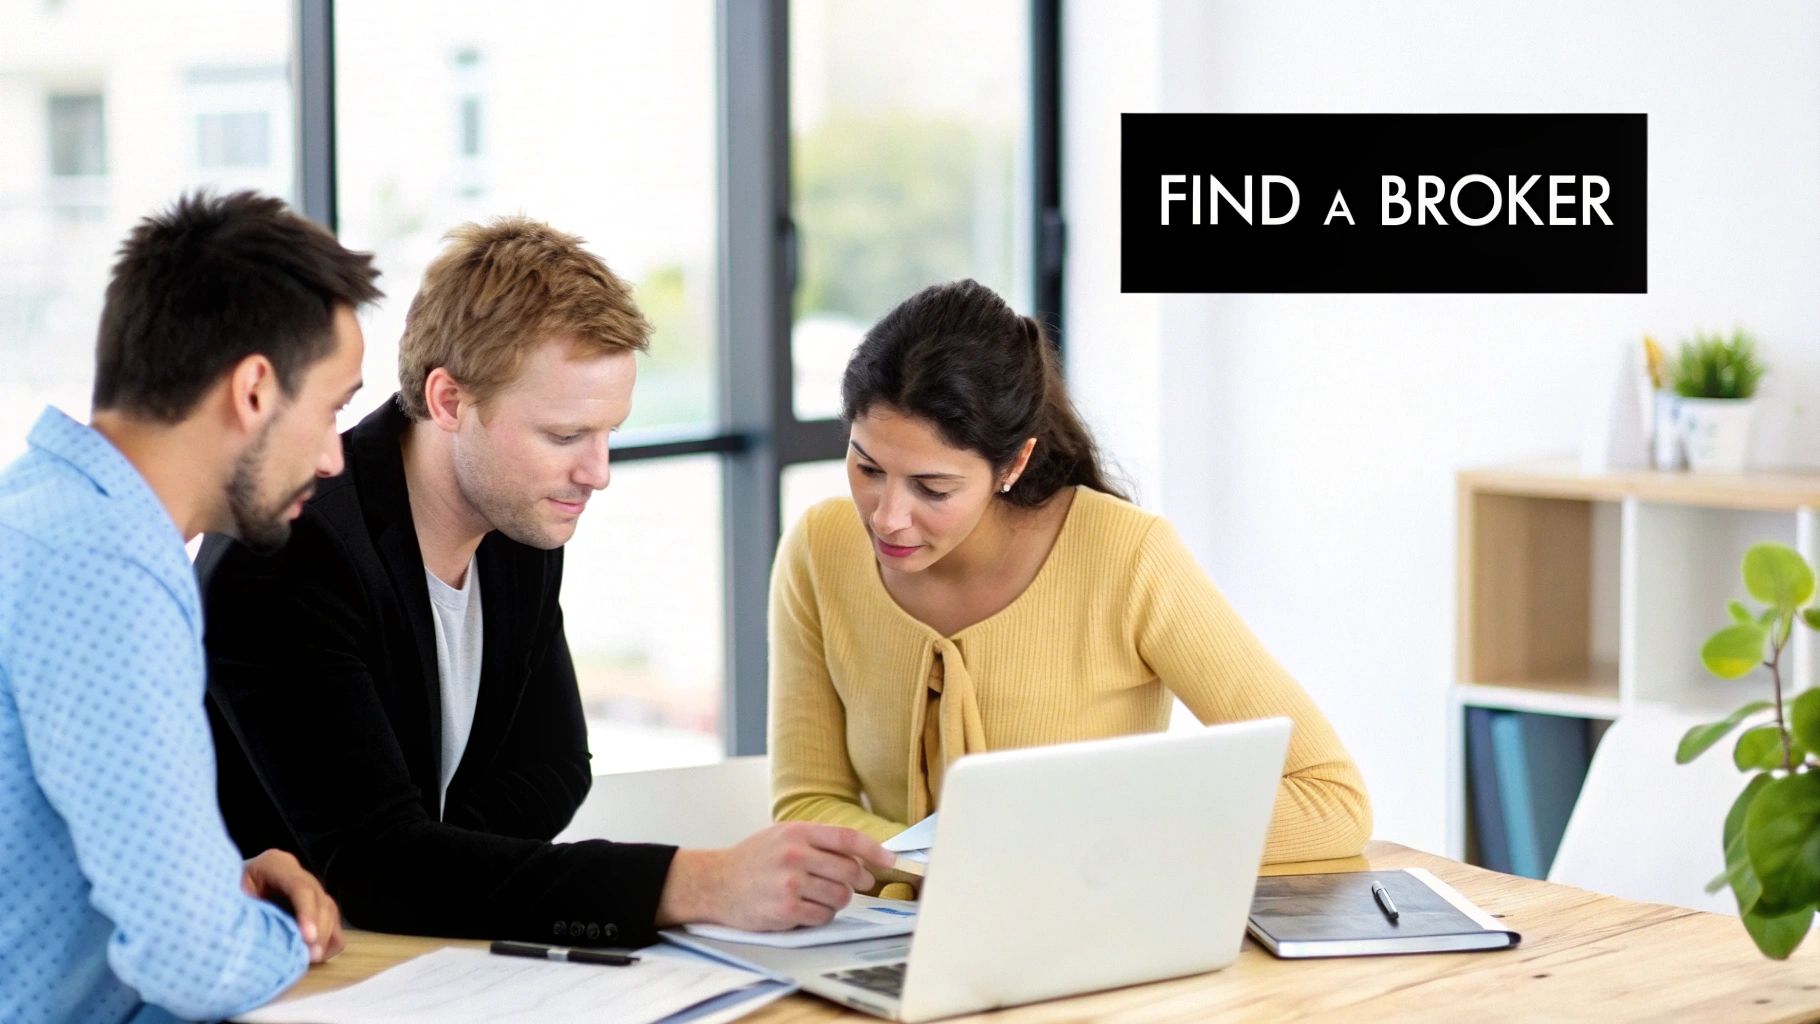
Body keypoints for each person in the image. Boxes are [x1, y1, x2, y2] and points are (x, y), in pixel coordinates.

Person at [200, 216, 893, 947]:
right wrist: (697, 882)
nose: (597, 473)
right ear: (449, 401)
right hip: (284, 967)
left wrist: (440, 868)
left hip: (412, 950)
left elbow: (555, 768)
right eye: (565, 436)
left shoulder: (515, 518)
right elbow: (379, 862)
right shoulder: (290, 547)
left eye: (608, 433)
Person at [769, 279, 1372, 882]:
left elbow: (1329, 798)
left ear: (1013, 464)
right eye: (868, 468)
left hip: (1088, 927)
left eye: (933, 488)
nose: (887, 517)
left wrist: (1083, 843)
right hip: (887, 932)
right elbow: (808, 803)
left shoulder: (1128, 557)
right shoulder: (821, 550)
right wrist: (950, 864)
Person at [0, 191, 375, 1022]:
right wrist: (266, 931)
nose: (333, 458)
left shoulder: (41, 512)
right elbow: (196, 962)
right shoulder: (105, 571)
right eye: (331, 410)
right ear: (254, 390)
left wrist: (219, 886)